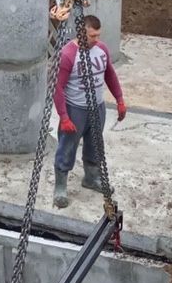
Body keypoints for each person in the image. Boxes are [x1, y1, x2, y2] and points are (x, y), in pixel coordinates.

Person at [53, 14, 126, 208]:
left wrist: (119, 100)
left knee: (95, 143)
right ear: (81, 33)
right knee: (67, 147)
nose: (97, 40)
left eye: (98, 35)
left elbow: (109, 74)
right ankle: (60, 186)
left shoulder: (101, 49)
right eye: (92, 36)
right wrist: (64, 116)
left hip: (97, 106)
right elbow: (57, 88)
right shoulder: (68, 54)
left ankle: (91, 178)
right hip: (75, 108)